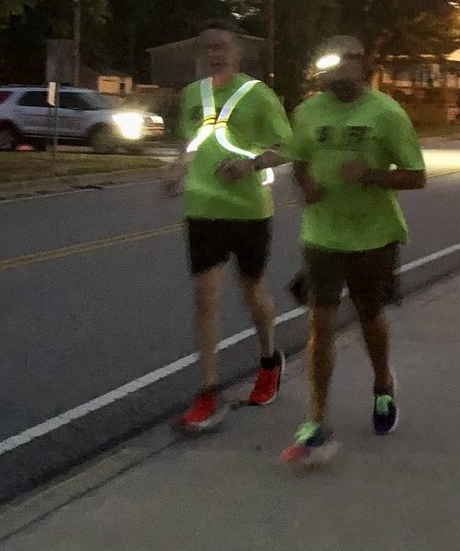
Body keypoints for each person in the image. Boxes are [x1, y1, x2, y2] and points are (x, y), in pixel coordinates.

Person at [280, 35, 427, 464]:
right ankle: (317, 420)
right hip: (322, 234)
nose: (341, 69)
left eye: (350, 61)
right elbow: (299, 159)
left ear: (364, 67)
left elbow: (417, 175)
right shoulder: (307, 111)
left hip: (374, 234)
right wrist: (305, 184)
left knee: (370, 317)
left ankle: (383, 386)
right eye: (333, 62)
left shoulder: (386, 113)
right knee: (319, 325)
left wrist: (371, 175)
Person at [164, 23, 291, 431]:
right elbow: (189, 142)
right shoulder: (191, 96)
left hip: (250, 210)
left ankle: (270, 360)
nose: (215, 53)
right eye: (207, 48)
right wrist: (176, 166)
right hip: (203, 208)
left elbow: (289, 147)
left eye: (222, 47)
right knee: (205, 297)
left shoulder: (258, 95)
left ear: (237, 54)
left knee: (252, 290)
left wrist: (251, 163)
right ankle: (208, 392)